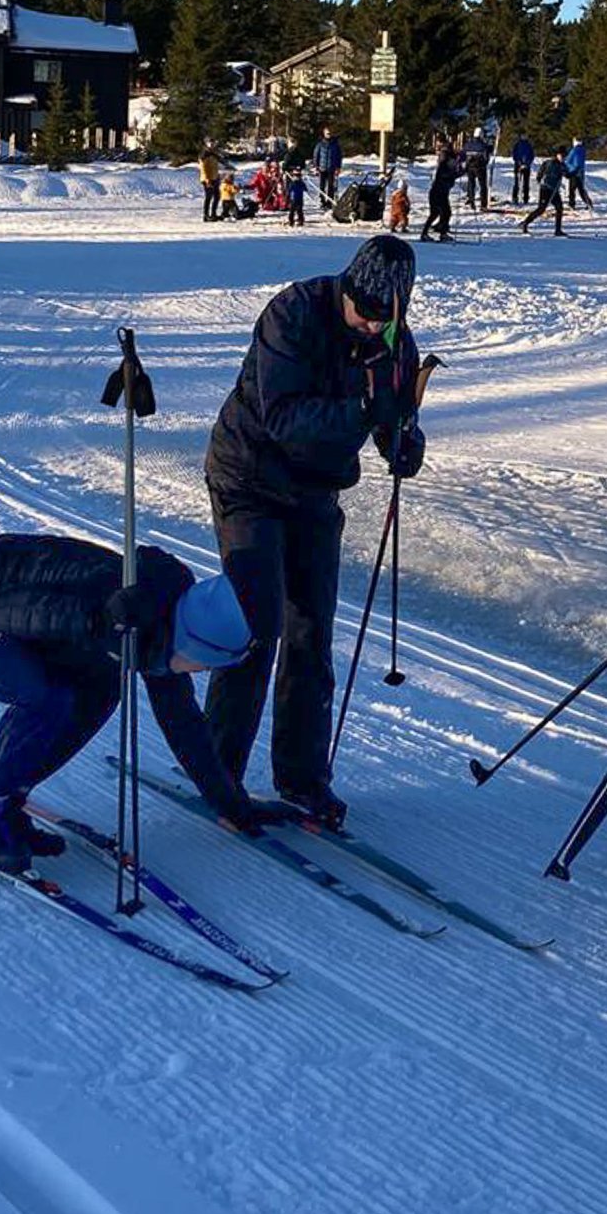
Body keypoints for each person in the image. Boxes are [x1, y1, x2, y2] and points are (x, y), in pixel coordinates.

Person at [203, 236, 427, 825]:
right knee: (258, 627)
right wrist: (361, 415)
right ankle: (218, 773)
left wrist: (402, 443)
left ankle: (302, 778)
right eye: (365, 313)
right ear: (347, 292)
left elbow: (397, 411)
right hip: (249, 479)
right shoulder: (293, 313)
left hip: (315, 492)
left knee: (310, 634)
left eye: (386, 318)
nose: (371, 326)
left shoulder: (393, 340)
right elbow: (282, 417)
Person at [0, 532, 280, 871]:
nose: (200, 673)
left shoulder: (162, 629)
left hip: (8, 613)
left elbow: (183, 725)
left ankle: (9, 803)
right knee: (45, 695)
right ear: (193, 644)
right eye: (205, 664)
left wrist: (229, 803)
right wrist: (94, 621)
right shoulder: (115, 604)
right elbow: (4, 610)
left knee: (99, 690)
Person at [420, 138, 459, 243]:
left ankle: (433, 233)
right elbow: (446, 174)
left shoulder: (446, 158)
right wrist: (457, 172)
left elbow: (452, 174)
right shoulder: (445, 159)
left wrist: (459, 172)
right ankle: (440, 233)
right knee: (443, 212)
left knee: (440, 212)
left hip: (440, 191)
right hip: (438, 191)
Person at [520, 148, 566, 236]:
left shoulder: (562, 165)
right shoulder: (550, 163)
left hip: (554, 190)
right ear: (557, 155)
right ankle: (525, 223)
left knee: (559, 208)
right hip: (546, 189)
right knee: (541, 209)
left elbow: (567, 174)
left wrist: (574, 172)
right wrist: (540, 179)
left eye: (564, 156)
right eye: (561, 155)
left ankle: (558, 230)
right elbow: (544, 172)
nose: (562, 158)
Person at [314, 126, 344, 209]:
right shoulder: (320, 144)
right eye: (327, 133)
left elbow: (339, 157)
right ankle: (322, 201)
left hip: (332, 168)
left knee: (331, 186)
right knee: (322, 186)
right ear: (324, 134)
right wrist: (316, 166)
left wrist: (338, 167)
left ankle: (329, 202)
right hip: (322, 168)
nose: (329, 135)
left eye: (330, 133)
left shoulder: (335, 144)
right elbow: (316, 156)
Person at [462, 127, 491, 212]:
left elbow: (463, 154)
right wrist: (485, 164)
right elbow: (486, 158)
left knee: (471, 184)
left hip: (470, 168)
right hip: (480, 168)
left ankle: (471, 202)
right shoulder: (483, 145)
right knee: (483, 186)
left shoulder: (468, 144)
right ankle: (483, 205)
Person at [562, 136, 593, 209]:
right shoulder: (583, 150)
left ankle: (571, 204)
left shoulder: (574, 150)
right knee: (581, 189)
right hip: (581, 172)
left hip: (574, 172)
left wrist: (565, 165)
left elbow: (569, 160)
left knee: (572, 189)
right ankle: (588, 203)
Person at [197, 145, 222, 223]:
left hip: (214, 178)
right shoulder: (204, 155)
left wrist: (218, 176)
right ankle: (206, 215)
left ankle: (213, 214)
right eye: (210, 145)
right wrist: (207, 179)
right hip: (208, 179)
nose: (212, 146)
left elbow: (215, 167)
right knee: (209, 197)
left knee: (217, 196)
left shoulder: (214, 155)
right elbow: (203, 168)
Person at [509, 131, 535, 205]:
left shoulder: (529, 145)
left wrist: (527, 163)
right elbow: (514, 155)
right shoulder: (517, 145)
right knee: (517, 182)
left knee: (526, 183)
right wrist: (519, 163)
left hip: (527, 166)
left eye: (525, 135)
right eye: (523, 135)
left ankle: (525, 198)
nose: (524, 137)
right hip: (518, 166)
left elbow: (532, 155)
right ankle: (515, 197)